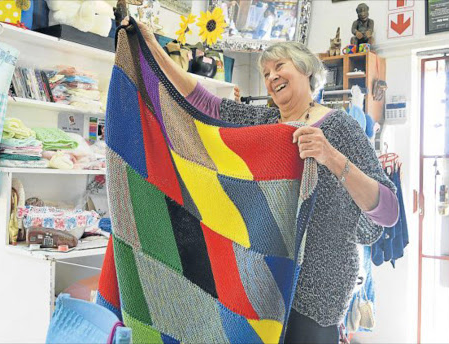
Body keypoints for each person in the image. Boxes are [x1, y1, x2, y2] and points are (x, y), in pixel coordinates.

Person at [120, 17, 399, 343]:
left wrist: (331, 157)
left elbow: (388, 210)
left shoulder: (340, 128)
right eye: (265, 73)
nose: (271, 77)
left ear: (306, 70)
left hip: (318, 291)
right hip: (262, 285)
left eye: (279, 66)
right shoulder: (263, 124)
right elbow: (204, 103)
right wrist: (151, 46)